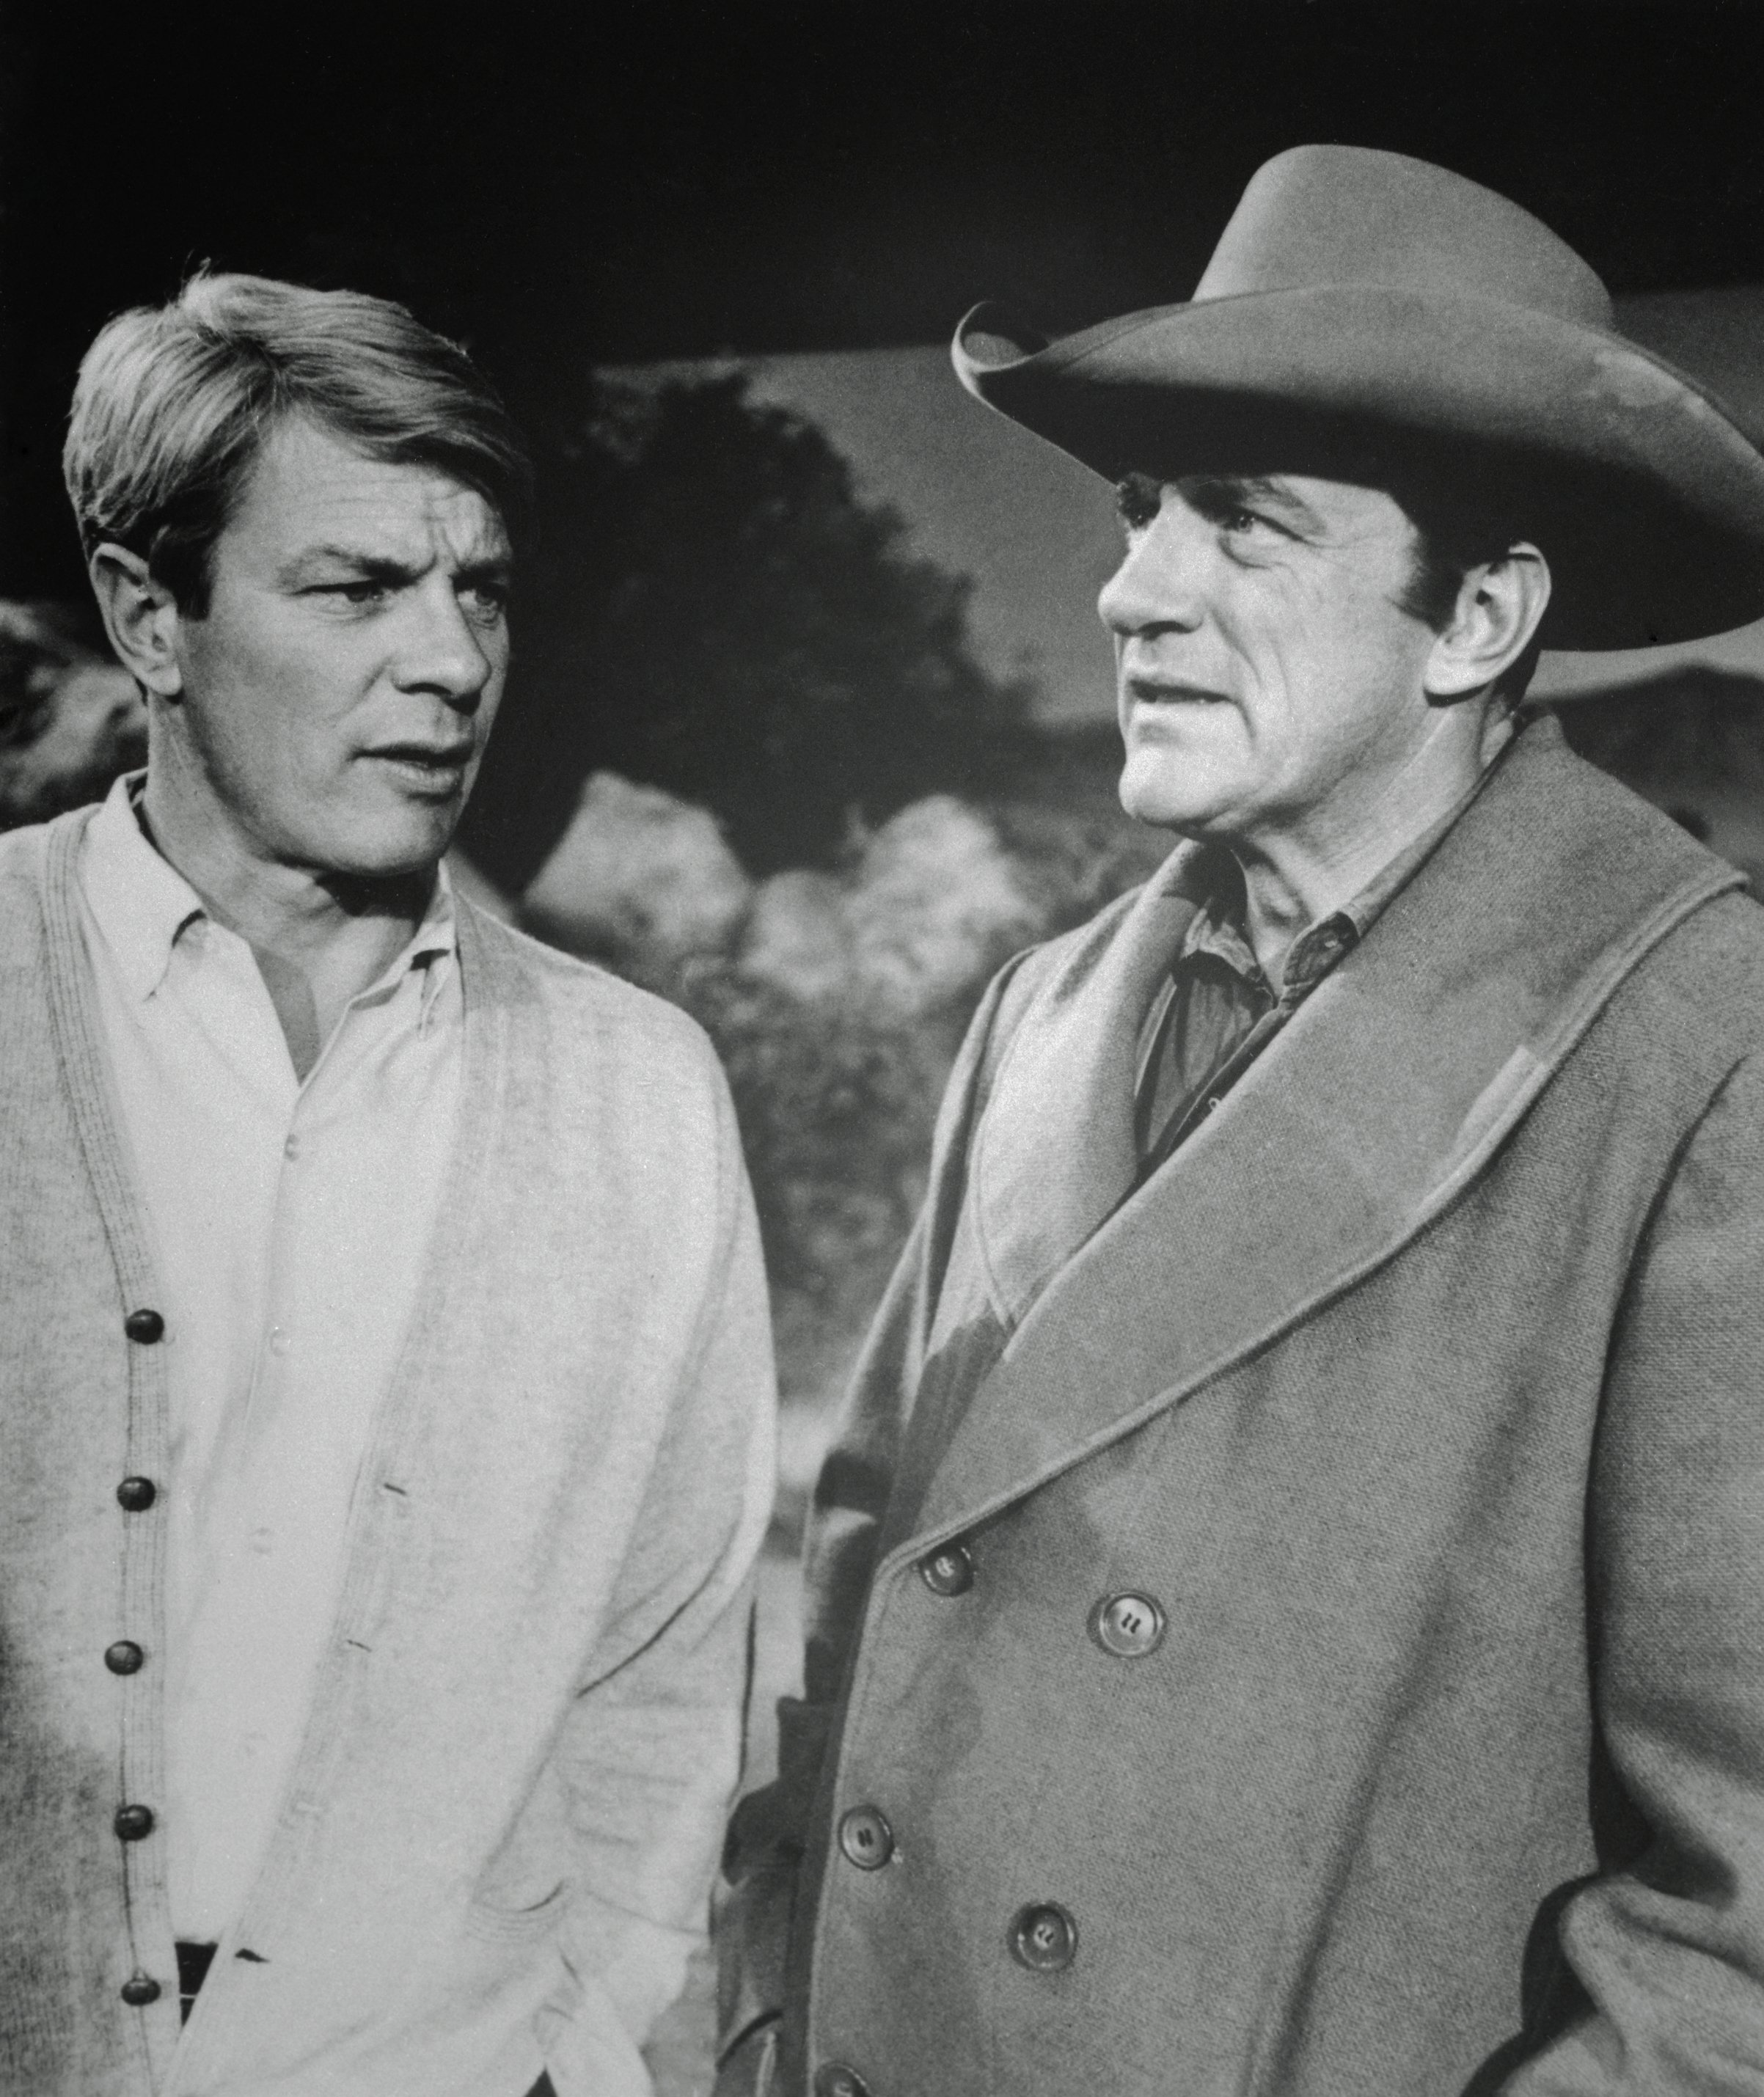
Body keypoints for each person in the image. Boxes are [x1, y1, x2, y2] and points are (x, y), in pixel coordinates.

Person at [716, 147, 1764, 2096]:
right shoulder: (1033, 1014)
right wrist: (775, 2015)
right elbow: (859, 1591)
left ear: (1475, 619)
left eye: (1241, 525)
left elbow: (1738, 1942)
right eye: (1134, 510)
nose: (1127, 589)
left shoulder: (1701, 1047)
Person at [1, 271, 776, 2097]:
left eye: (480, 588)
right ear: (149, 616)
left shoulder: (635, 1093)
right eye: (354, 587)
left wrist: (583, 2052)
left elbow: (665, 1692)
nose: (449, 662)